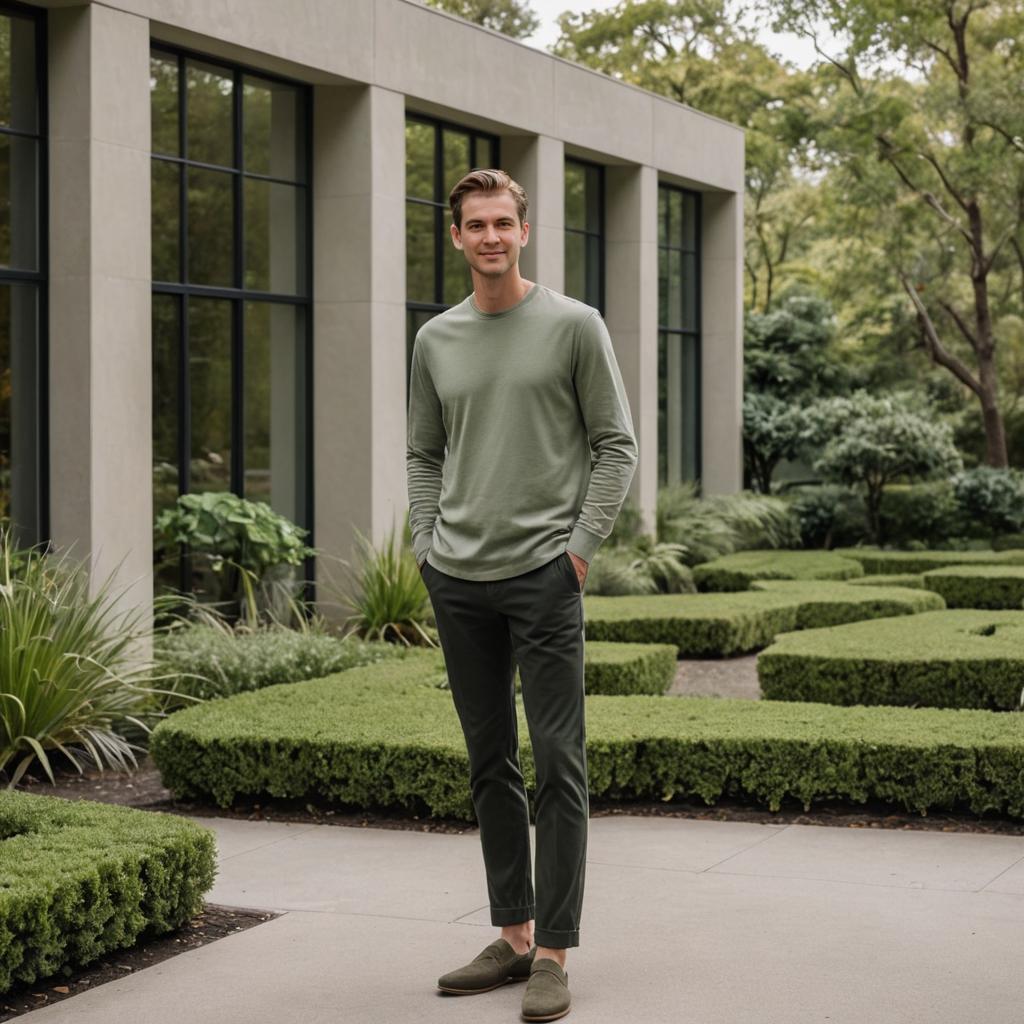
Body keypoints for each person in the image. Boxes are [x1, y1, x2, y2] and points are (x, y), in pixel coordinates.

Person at [405, 168, 638, 1022]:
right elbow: (424, 452)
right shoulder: (435, 339)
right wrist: (426, 545)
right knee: (489, 763)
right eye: (477, 224)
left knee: (559, 766)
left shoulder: (575, 326)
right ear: (457, 237)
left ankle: (554, 953)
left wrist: (575, 554)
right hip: (457, 579)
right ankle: (509, 935)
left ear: (525, 231)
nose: (492, 236)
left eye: (505, 221)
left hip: (544, 577)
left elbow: (617, 445)